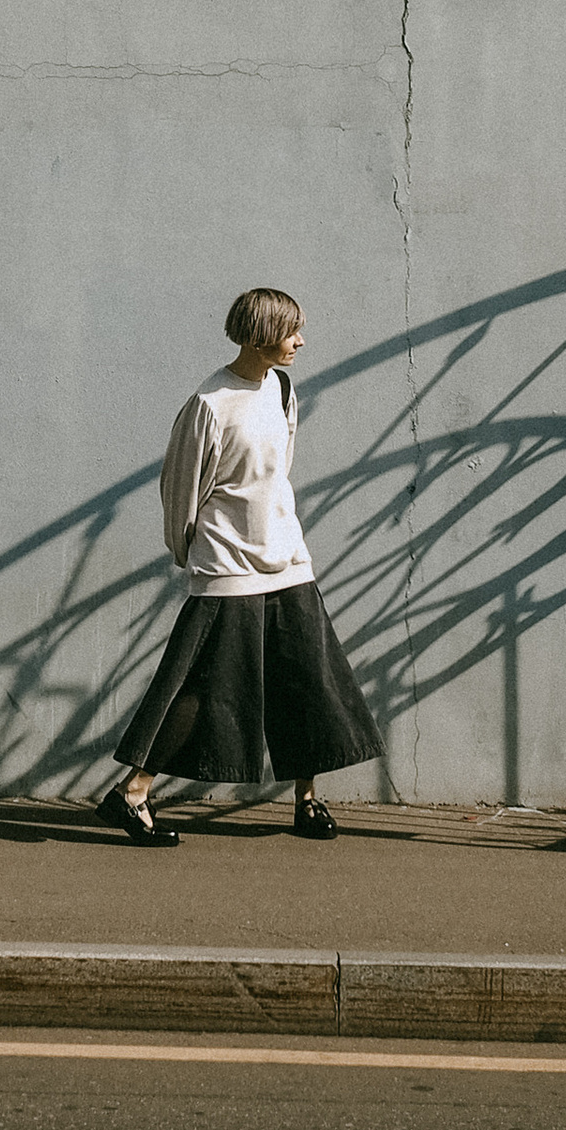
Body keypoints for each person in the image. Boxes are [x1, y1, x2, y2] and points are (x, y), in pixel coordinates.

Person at [99, 286, 385, 846]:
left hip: (288, 561)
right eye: (290, 331)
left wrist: (283, 536)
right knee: (200, 688)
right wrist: (195, 556)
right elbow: (179, 491)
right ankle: (130, 795)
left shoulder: (280, 389)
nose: (300, 341)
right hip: (229, 567)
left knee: (308, 681)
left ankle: (306, 801)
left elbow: (277, 475)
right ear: (259, 334)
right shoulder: (209, 404)